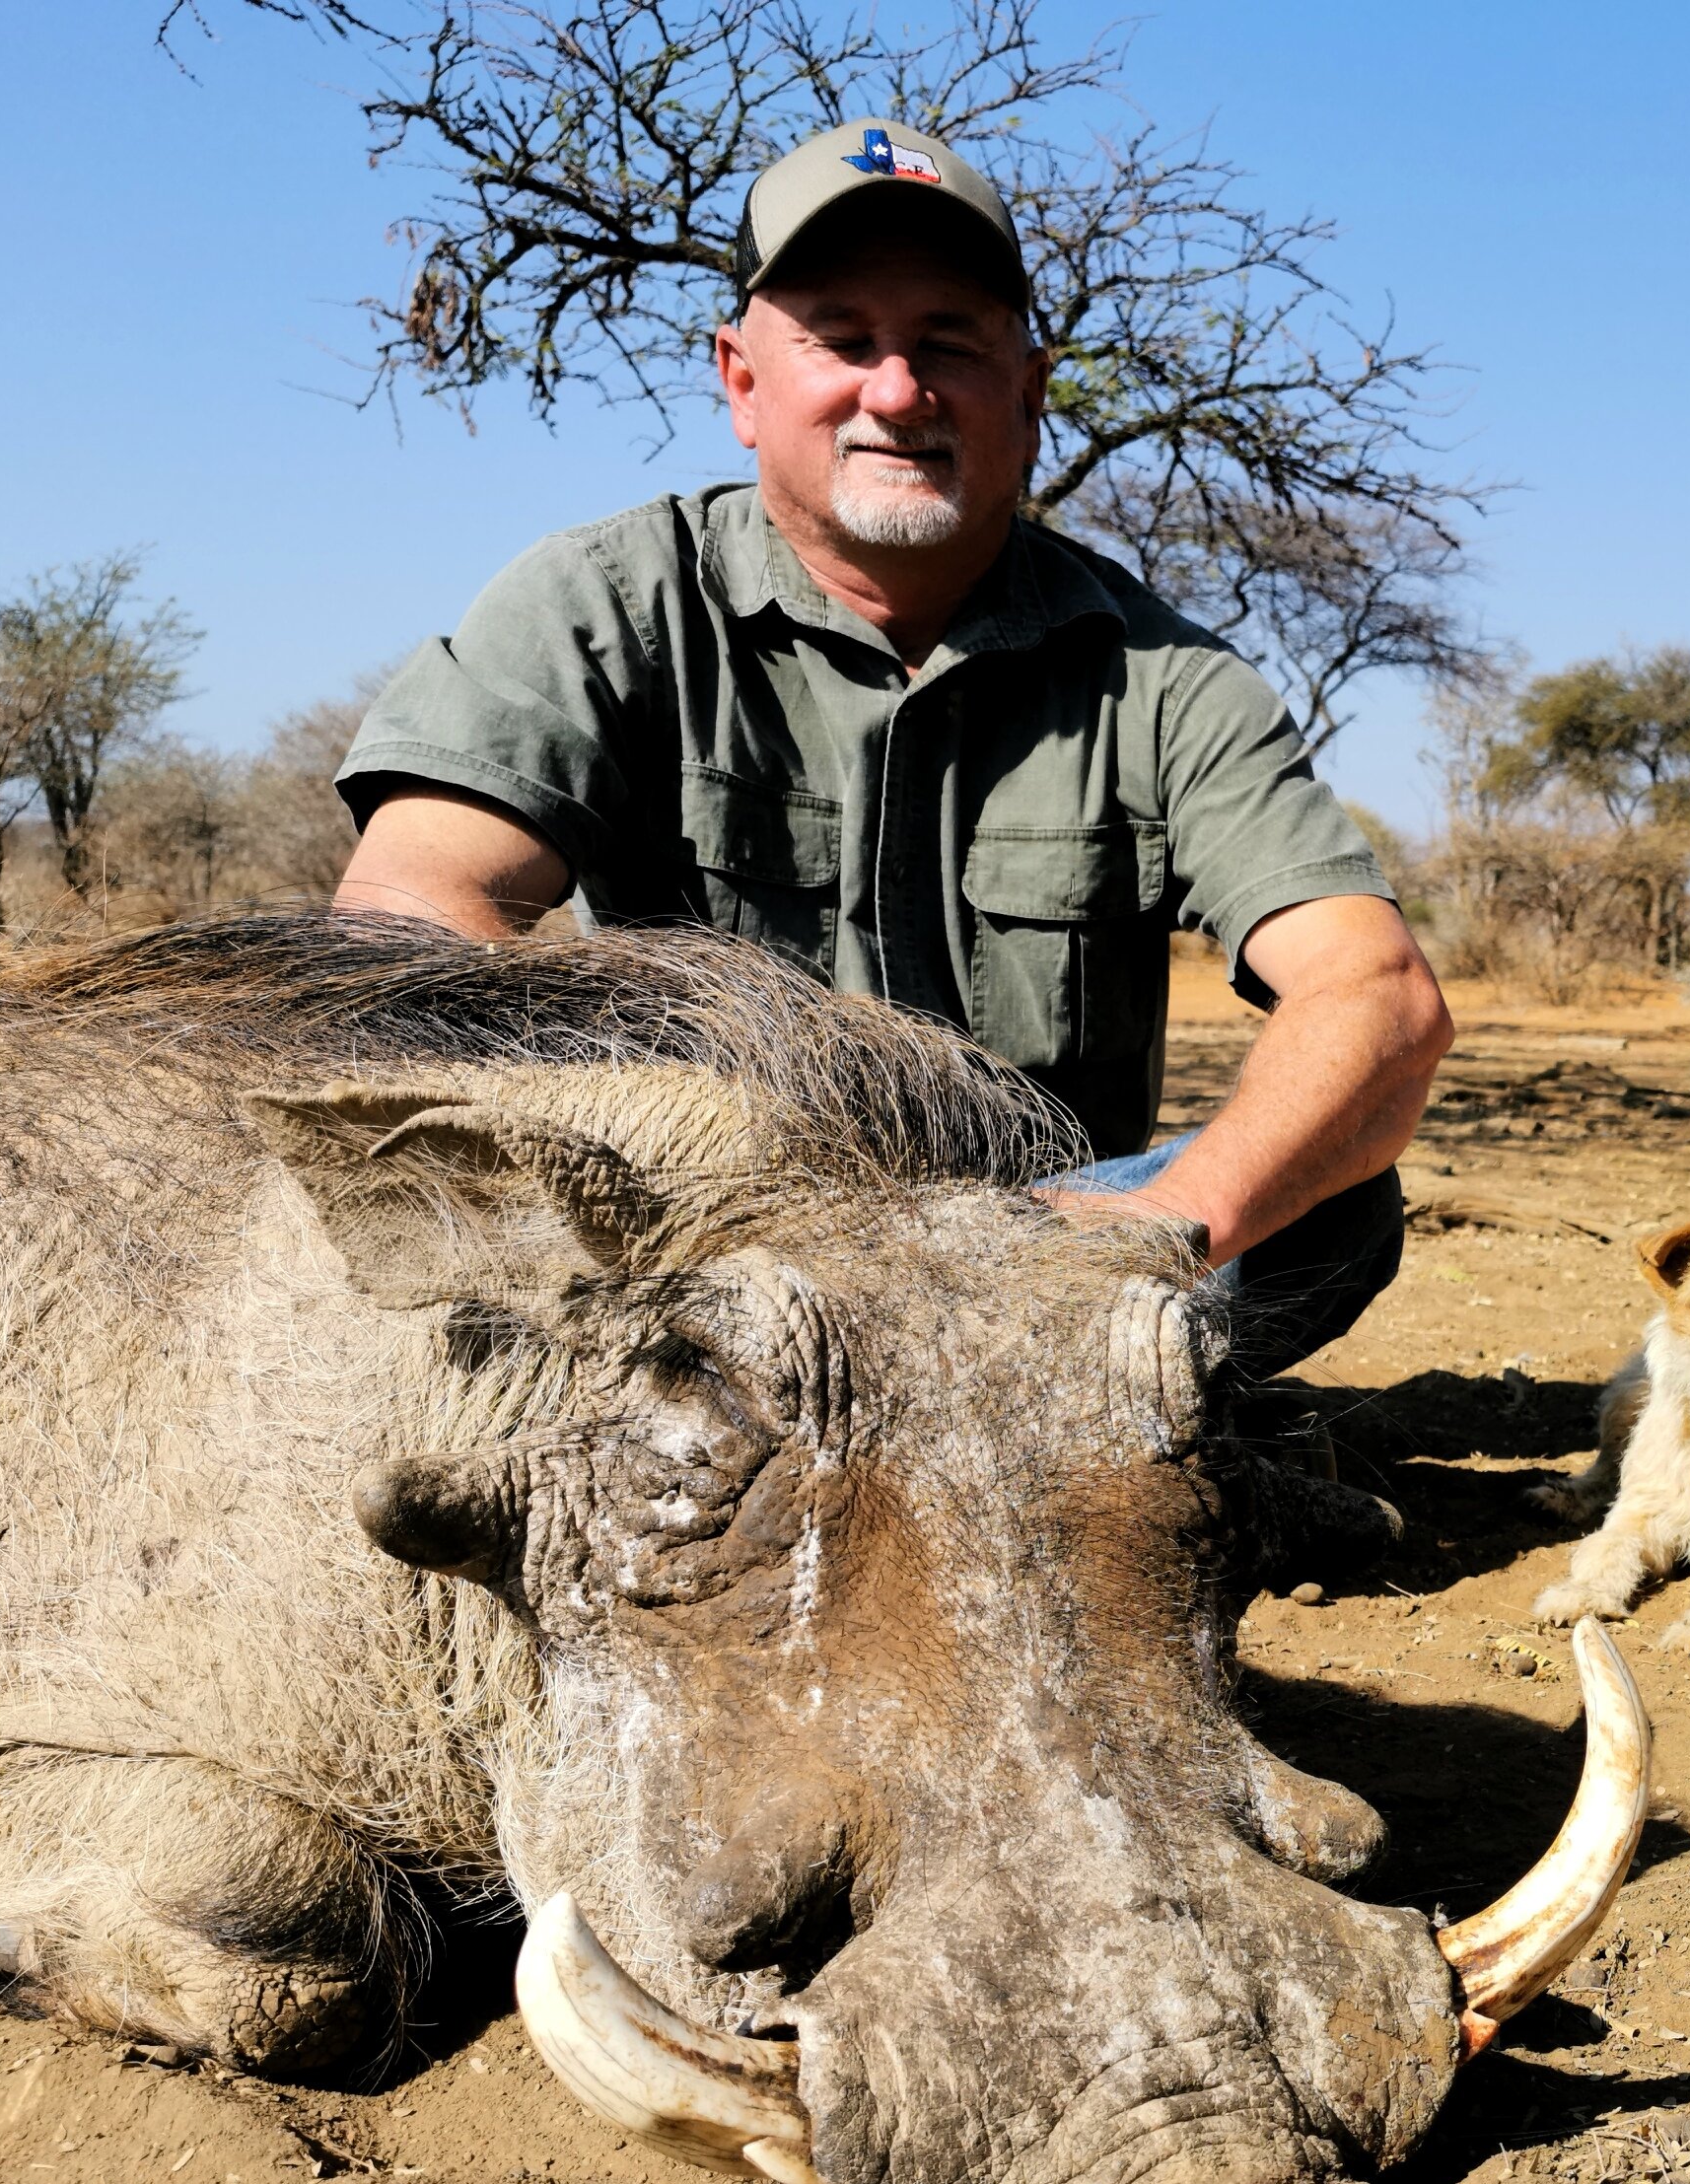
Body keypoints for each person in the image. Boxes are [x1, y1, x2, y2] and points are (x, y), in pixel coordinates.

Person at [329, 120, 1447, 1386]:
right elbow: (408, 912)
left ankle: (898, 1407)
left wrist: (1150, 1228)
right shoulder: (600, 602)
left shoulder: (1167, 674)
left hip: (1040, 1262)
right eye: (843, 340)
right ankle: (1011, 1426)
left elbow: (1378, 996)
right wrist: (628, 1179)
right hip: (700, 1250)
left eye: (949, 344)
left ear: (1028, 393)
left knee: (1336, 1213)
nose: (899, 390)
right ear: (743, 382)